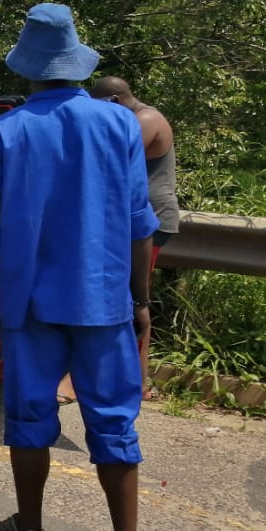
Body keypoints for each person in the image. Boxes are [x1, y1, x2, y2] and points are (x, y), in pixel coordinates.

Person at [0, 3, 161, 531]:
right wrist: (140, 298)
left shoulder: (5, 132)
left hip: (29, 305)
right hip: (101, 302)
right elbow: (137, 221)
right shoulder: (120, 124)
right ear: (76, 64)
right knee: (113, 421)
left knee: (28, 415)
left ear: (28, 69)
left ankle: (29, 529)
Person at [56, 77, 179, 405]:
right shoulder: (129, 116)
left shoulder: (144, 120)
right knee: (128, 295)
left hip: (147, 223)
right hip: (127, 221)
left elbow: (107, 158)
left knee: (134, 298)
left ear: (112, 100)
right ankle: (137, 383)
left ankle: (83, 379)